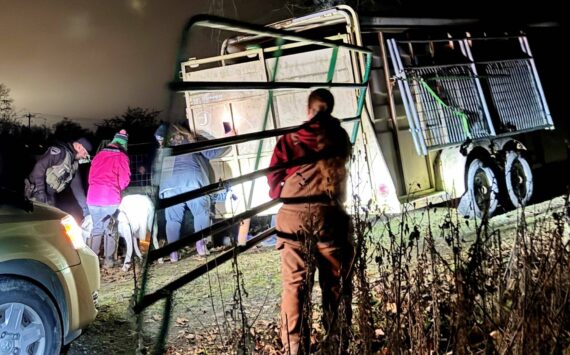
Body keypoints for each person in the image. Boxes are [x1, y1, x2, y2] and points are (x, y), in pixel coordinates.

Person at [267, 89, 354, 354]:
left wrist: (284, 190)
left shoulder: (289, 140)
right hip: (330, 216)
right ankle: (337, 341)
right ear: (331, 108)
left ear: (308, 110)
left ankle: (295, 347)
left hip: (293, 219)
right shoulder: (340, 136)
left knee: (295, 286)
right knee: (336, 284)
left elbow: (273, 182)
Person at [155, 122, 232, 262]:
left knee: (172, 219)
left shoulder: (163, 148)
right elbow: (211, 152)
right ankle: (201, 247)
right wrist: (229, 136)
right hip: (193, 181)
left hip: (169, 186)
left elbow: (156, 170)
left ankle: (173, 254)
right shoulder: (191, 139)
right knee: (200, 213)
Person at [87, 129, 131, 268]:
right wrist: (119, 188)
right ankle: (108, 261)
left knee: (97, 228)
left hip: (93, 197)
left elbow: (90, 177)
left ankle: (92, 261)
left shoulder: (98, 155)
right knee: (110, 229)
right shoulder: (122, 157)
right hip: (110, 197)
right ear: (124, 144)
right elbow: (125, 180)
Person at [26, 137, 92, 218]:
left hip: (50, 195)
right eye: (84, 154)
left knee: (51, 220)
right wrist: (41, 192)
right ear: (78, 147)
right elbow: (39, 167)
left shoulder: (74, 165)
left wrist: (85, 208)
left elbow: (77, 189)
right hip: (36, 190)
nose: (85, 157)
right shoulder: (60, 153)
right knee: (34, 220)